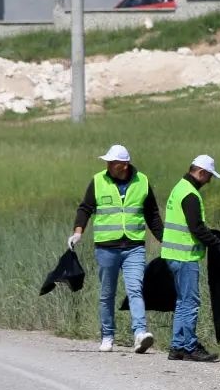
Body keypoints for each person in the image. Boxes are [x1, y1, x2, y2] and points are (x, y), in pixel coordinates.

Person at [68, 144, 165, 354]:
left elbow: (153, 215)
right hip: (106, 247)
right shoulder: (98, 181)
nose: (108, 165)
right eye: (108, 162)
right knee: (107, 293)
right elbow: (85, 208)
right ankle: (107, 335)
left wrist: (165, 240)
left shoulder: (143, 182)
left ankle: (140, 333)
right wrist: (78, 232)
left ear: (124, 165)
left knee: (135, 289)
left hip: (134, 246)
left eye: (112, 162)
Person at [160, 154, 220, 363]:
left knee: (182, 302)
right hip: (185, 255)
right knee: (190, 302)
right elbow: (197, 228)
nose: (209, 181)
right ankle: (191, 347)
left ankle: (177, 347)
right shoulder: (191, 194)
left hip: (172, 254)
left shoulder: (179, 188)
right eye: (209, 176)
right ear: (201, 173)